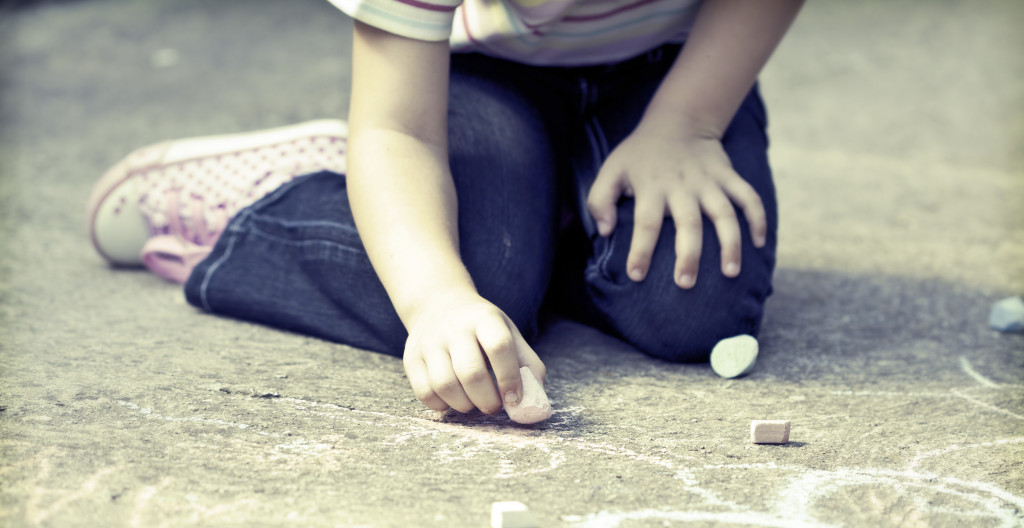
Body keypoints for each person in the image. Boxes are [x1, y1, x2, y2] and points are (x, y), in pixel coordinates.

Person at [87, 0, 804, 418]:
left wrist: (687, 124)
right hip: (480, 78)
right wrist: (437, 299)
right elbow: (398, 130)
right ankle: (277, 206)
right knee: (475, 300)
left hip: (671, 70)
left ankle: (534, 216)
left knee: (689, 303)